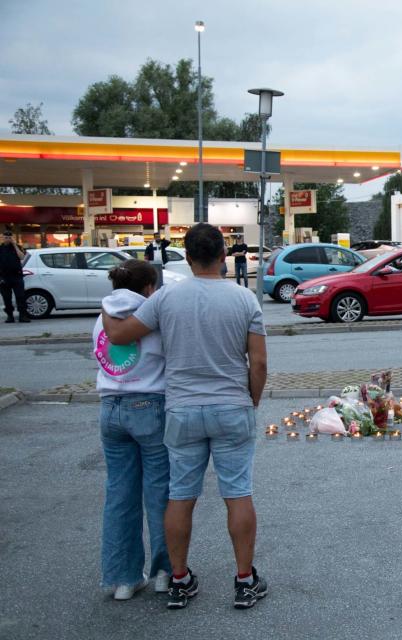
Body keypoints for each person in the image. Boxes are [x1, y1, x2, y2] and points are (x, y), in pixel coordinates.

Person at [100, 223, 269, 610]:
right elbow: (258, 362)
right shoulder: (245, 299)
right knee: (237, 493)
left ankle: (179, 580)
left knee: (180, 496)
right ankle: (244, 580)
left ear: (187, 257)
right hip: (232, 407)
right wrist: (251, 401)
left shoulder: (166, 300)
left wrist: (108, 316)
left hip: (181, 411)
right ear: (224, 255)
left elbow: (123, 336)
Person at [93, 260, 170, 601]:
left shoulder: (103, 318)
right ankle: (166, 573)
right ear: (150, 288)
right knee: (160, 495)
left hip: (110, 408)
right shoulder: (151, 316)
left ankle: (123, 580)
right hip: (150, 407)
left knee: (119, 497)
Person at [1, 230, 29, 323]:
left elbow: (22, 257)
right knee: (7, 298)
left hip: (17, 277)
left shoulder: (17, 247)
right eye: (6, 237)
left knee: (20, 297)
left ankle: (22, 316)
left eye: (9, 237)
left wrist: (15, 245)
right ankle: (10, 316)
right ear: (2, 238)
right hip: (4, 278)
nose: (8, 239)